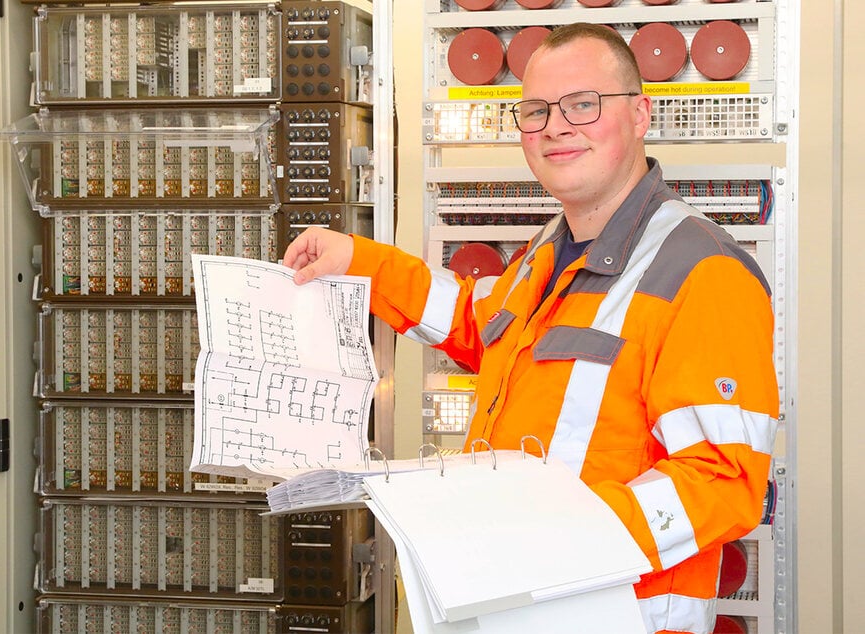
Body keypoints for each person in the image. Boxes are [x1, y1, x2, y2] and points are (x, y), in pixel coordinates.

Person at [283, 22, 779, 634]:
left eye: (583, 105)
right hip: (509, 600)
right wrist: (358, 262)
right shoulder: (550, 250)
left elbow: (724, 479)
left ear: (640, 114)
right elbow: (476, 322)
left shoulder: (703, 271)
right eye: (536, 110)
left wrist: (552, 539)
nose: (556, 126)